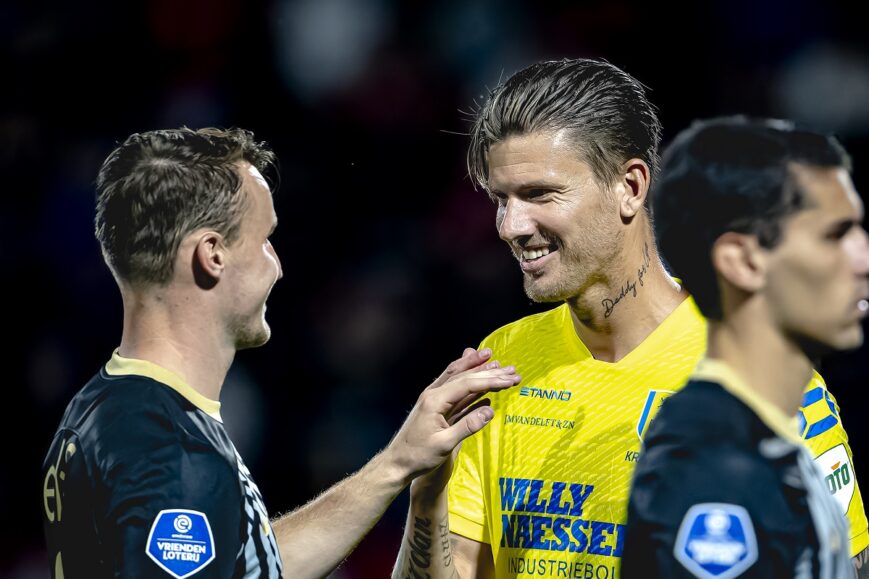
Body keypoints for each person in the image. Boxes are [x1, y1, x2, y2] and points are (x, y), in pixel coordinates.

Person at [393, 59, 868, 578]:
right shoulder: (501, 363)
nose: (510, 226)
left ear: (631, 186)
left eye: (538, 194)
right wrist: (427, 495)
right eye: (499, 199)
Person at [41, 127, 521, 578]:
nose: (278, 265)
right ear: (213, 255)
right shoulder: (173, 450)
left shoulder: (101, 407)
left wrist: (397, 463)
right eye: (265, 238)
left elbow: (243, 565)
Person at [621, 116, 869, 577]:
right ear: (743, 262)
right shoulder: (715, 470)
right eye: (835, 235)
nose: (863, 259)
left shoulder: (767, 438)